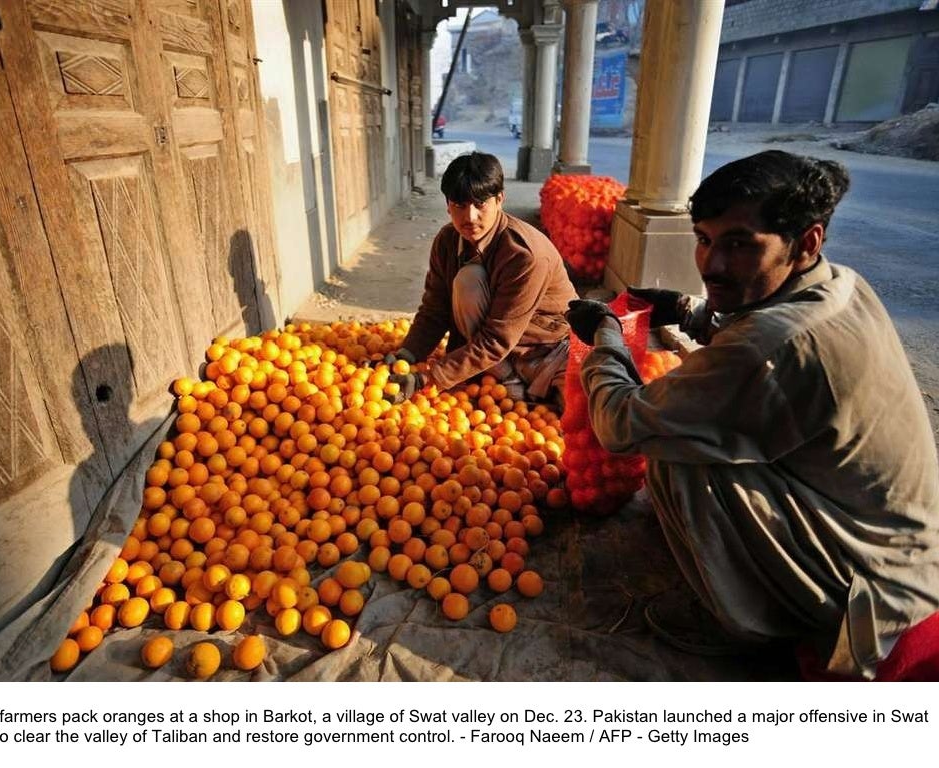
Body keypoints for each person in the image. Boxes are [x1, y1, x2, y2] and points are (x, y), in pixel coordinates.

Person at [565, 150, 939, 679]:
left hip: (872, 594)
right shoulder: (841, 285)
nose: (712, 264)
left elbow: (619, 424)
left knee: (673, 447)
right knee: (687, 424)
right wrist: (688, 311)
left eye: (739, 245)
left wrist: (605, 334)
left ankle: (749, 622)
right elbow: (762, 337)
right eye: (703, 239)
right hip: (903, 546)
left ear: (806, 241)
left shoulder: (771, 343)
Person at [387, 152, 578, 407]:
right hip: (498, 352)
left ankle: (513, 384)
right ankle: (506, 380)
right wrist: (407, 355)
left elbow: (497, 339)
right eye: (459, 205)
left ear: (500, 199)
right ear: (447, 205)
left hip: (545, 348)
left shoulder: (524, 255)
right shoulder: (446, 242)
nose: (470, 217)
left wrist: (428, 378)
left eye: (480, 204)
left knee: (579, 416)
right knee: (469, 280)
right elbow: (435, 309)